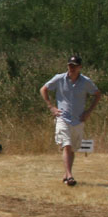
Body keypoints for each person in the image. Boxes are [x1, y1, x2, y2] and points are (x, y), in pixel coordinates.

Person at [40, 54, 101, 186]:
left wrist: (89, 112)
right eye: (70, 65)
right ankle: (70, 176)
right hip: (63, 117)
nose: (71, 68)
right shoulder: (59, 78)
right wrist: (51, 107)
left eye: (74, 66)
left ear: (80, 67)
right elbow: (43, 89)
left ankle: (67, 174)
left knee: (72, 148)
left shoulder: (85, 81)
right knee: (66, 145)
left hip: (78, 119)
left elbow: (97, 94)